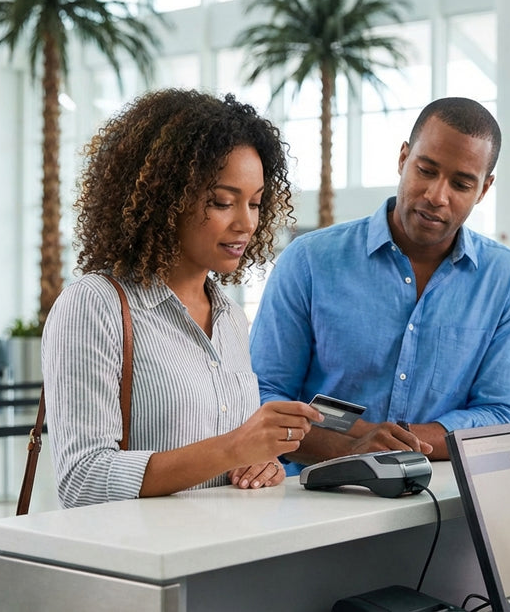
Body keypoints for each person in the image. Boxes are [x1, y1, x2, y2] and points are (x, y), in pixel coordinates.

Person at [43, 89, 323, 508]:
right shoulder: (94, 306)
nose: (246, 222)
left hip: (223, 557)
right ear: (165, 198)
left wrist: (259, 464)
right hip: (142, 565)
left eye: (256, 203)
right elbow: (83, 479)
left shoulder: (229, 317)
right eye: (222, 202)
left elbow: (228, 460)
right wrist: (233, 448)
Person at [249, 97, 510, 473]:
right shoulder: (310, 261)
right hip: (314, 505)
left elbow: (501, 413)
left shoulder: (508, 279)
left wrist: (397, 441)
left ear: (483, 189)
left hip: (441, 501)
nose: (437, 196)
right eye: (426, 171)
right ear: (403, 159)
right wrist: (351, 446)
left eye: (461, 184)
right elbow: (262, 394)